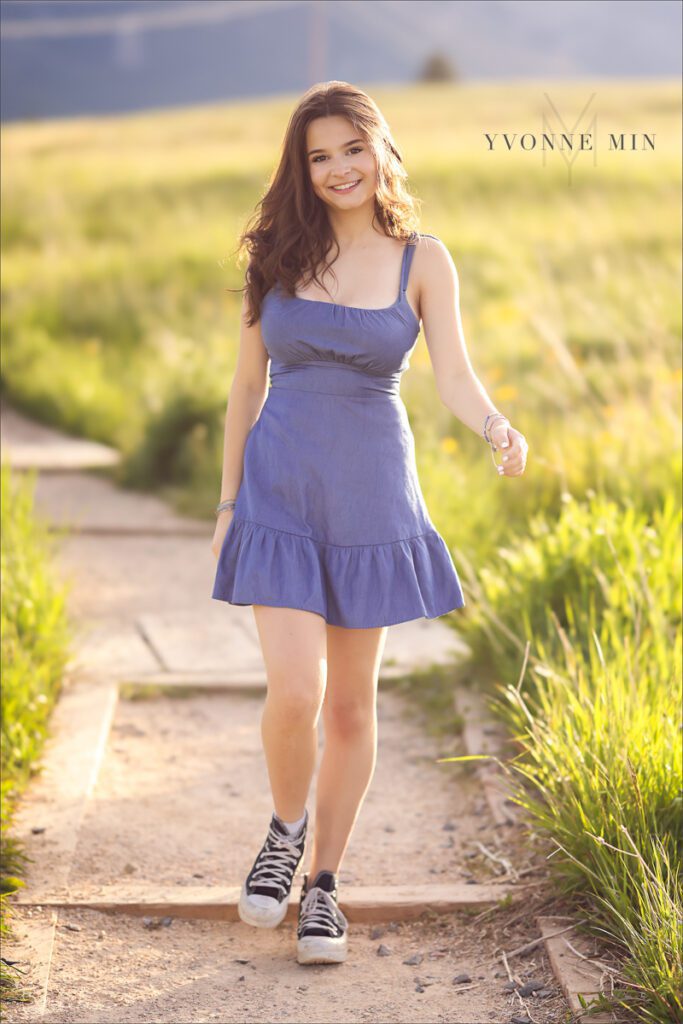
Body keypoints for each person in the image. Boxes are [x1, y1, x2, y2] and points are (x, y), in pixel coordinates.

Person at [210, 81, 528, 966]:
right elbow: (244, 388)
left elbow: (454, 378)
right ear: (301, 169)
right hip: (277, 490)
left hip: (371, 492)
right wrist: (228, 503)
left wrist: (497, 425)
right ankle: (284, 829)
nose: (339, 167)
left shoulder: (424, 259)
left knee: (351, 706)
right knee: (297, 693)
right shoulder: (273, 256)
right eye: (319, 155)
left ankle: (324, 888)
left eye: (352, 147)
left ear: (381, 148)